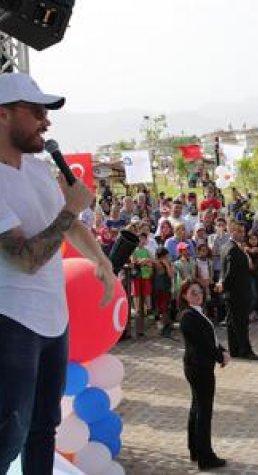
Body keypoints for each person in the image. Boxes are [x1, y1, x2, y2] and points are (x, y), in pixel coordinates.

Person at [0, 73, 116, 473]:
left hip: (54, 320)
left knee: (42, 429)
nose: (46, 122)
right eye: (36, 112)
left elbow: (67, 224)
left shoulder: (34, 169)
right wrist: (71, 208)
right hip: (11, 322)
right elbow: (26, 258)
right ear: (3, 115)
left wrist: (101, 260)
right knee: (6, 434)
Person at [178, 280, 229, 470]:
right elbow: (203, 344)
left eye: (199, 292)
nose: (198, 296)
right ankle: (206, 457)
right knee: (204, 412)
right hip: (199, 367)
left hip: (198, 365)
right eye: (193, 293)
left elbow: (210, 339)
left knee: (197, 408)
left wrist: (222, 350)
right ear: (184, 295)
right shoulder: (188, 316)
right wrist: (220, 356)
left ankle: (195, 449)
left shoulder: (196, 312)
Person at [215, 220, 258, 360]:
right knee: (241, 322)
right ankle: (245, 350)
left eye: (243, 231)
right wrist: (224, 285)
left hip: (232, 291)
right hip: (237, 292)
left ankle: (235, 349)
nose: (242, 234)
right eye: (239, 231)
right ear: (231, 231)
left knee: (232, 321)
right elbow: (229, 273)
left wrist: (223, 284)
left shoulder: (228, 247)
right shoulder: (232, 249)